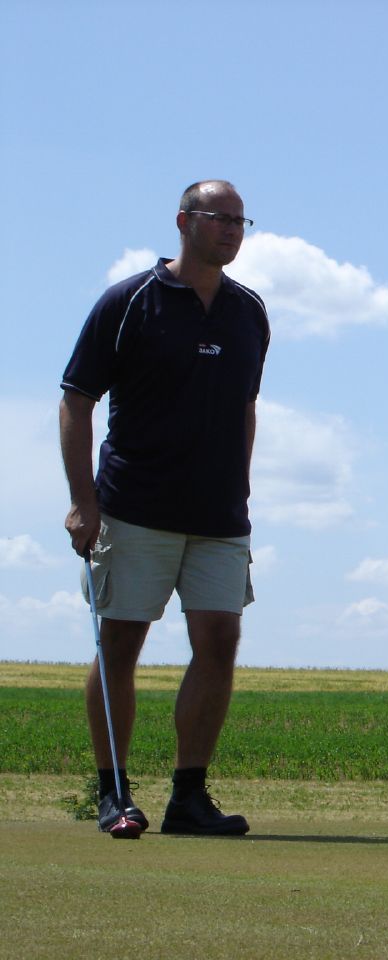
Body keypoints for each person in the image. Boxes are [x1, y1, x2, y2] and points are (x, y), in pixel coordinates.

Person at [60, 180, 269, 836]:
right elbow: (75, 400)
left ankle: (189, 797)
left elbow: (244, 407)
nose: (233, 231)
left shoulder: (248, 312)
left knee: (220, 642)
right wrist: (81, 502)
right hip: (132, 506)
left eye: (241, 221)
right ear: (184, 221)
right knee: (121, 641)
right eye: (220, 218)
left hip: (218, 516)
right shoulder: (130, 302)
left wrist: (242, 487)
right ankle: (113, 793)